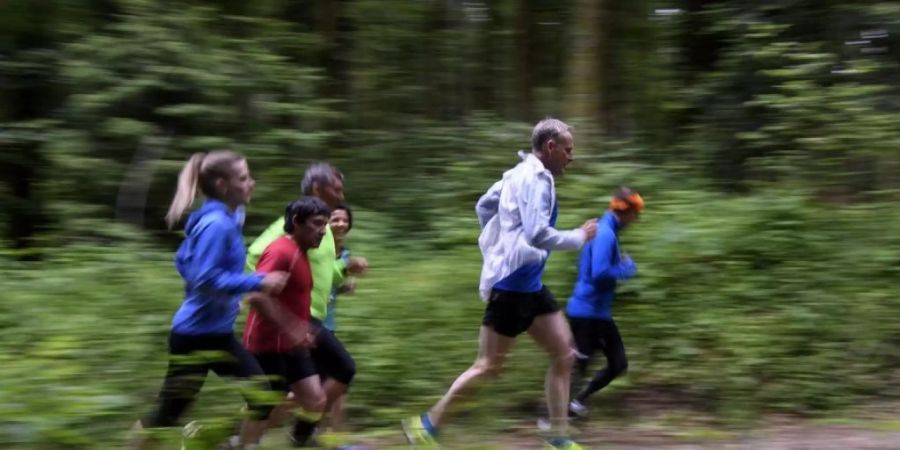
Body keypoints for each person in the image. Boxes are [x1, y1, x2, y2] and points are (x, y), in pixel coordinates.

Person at [402, 118, 598, 450]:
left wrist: (501, 245)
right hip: (510, 290)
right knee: (488, 366)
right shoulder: (536, 179)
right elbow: (537, 234)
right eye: (568, 149)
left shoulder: (516, 173)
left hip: (530, 286)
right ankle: (426, 425)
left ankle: (558, 437)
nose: (571, 157)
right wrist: (579, 236)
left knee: (564, 354)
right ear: (550, 147)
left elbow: (484, 205)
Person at [130, 151, 288, 450]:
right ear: (222, 184)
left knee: (262, 395)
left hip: (215, 334)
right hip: (195, 337)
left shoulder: (227, 216)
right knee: (168, 413)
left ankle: (239, 445)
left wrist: (228, 298)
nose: (251, 183)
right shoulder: (216, 224)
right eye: (243, 178)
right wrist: (258, 281)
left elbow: (183, 261)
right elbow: (204, 278)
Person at [246, 163, 367, 446]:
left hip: (309, 319)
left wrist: (344, 271)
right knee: (341, 369)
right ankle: (296, 436)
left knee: (297, 392)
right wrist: (266, 287)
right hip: (296, 319)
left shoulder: (320, 228)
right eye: (336, 189)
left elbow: (322, 271)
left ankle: (288, 436)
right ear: (317, 189)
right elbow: (254, 255)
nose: (341, 194)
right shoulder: (287, 226)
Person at [243, 197, 331, 440]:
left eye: (325, 224)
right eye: (317, 224)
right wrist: (293, 327)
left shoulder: (301, 252)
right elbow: (256, 296)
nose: (323, 230)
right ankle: (231, 440)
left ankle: (298, 443)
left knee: (315, 400)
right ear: (296, 222)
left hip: (292, 347)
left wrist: (301, 329)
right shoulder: (281, 251)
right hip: (267, 346)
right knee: (265, 410)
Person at [565, 187, 643, 418]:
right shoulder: (606, 233)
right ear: (625, 211)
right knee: (592, 364)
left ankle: (571, 406)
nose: (636, 219)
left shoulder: (604, 229)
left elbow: (584, 267)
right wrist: (626, 269)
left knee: (599, 363)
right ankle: (559, 414)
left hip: (593, 311)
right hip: (589, 313)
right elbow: (599, 273)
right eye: (635, 213)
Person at [322, 203, 356, 431]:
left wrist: (344, 288)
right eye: (335, 219)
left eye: (344, 220)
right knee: (339, 376)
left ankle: (330, 435)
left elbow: (329, 288)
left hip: (327, 325)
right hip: (309, 325)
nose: (341, 224)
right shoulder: (318, 248)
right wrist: (346, 267)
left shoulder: (344, 253)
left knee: (336, 381)